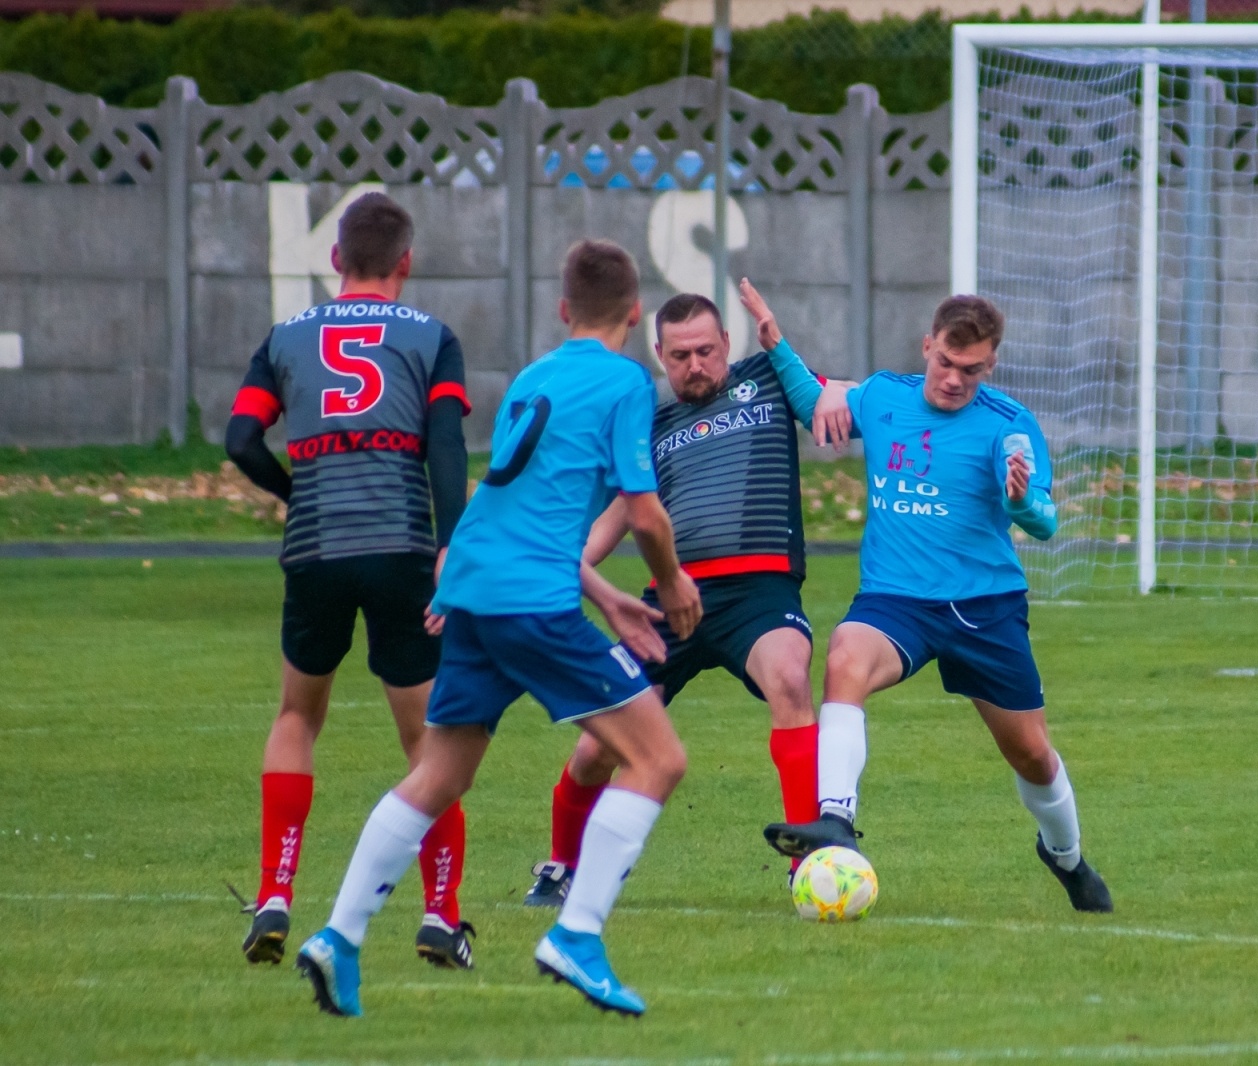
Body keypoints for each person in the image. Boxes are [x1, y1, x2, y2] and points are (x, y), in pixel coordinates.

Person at [293, 239, 703, 1019]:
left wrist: (584, 594)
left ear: (561, 310)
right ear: (636, 313)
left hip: (480, 585)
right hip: (530, 601)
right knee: (658, 758)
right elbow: (644, 509)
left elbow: (508, 501)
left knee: (439, 774)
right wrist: (672, 580)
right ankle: (576, 935)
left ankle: (338, 937)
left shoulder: (534, 377)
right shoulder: (626, 382)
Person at [760, 295, 1113, 913]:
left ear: (991, 365)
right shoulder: (882, 396)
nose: (954, 379)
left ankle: (1066, 856)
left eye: (971, 369)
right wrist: (775, 344)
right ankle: (836, 820)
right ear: (928, 346)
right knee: (844, 656)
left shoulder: (1009, 426)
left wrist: (1022, 501)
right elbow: (818, 404)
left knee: (1031, 752)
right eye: (947, 361)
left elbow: (1047, 522)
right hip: (896, 601)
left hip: (985, 609)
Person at [523, 279, 854, 906]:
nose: (695, 365)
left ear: (727, 343)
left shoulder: (771, 375)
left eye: (706, 350)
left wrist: (815, 373)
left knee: (789, 675)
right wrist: (550, 572)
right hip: (669, 602)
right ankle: (561, 867)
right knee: (597, 745)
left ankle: (807, 862)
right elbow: (617, 512)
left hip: (760, 592)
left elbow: (831, 406)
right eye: (680, 356)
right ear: (658, 354)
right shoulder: (643, 417)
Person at [225, 191, 476, 970]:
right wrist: (451, 546)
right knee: (428, 741)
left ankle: (274, 895)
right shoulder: (432, 338)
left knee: (298, 716)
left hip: (316, 551)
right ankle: (440, 915)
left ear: (335, 261)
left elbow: (240, 440)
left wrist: (295, 491)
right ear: (406, 261)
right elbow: (444, 451)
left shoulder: (285, 337)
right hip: (401, 546)